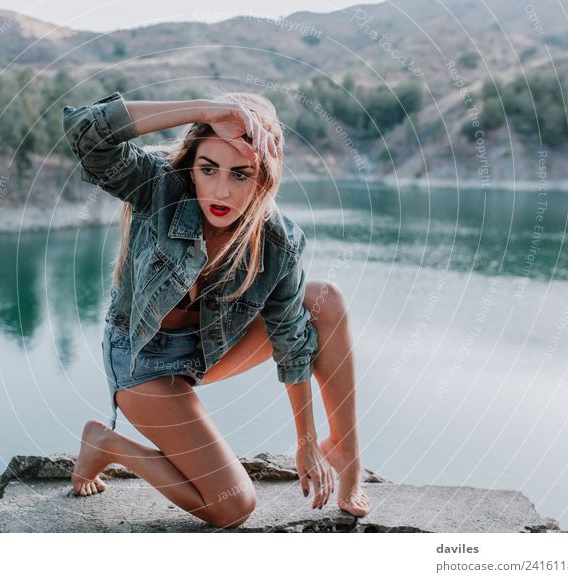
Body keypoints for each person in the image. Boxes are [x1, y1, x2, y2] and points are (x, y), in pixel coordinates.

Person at [61, 90, 370, 528]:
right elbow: (87, 134)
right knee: (232, 506)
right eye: (209, 169)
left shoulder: (279, 240)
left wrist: (305, 442)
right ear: (193, 165)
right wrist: (205, 111)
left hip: (205, 353)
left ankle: (345, 452)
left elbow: (290, 338)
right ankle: (110, 445)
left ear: (264, 176)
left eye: (241, 174)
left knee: (326, 300)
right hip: (143, 363)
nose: (221, 190)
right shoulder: (162, 187)